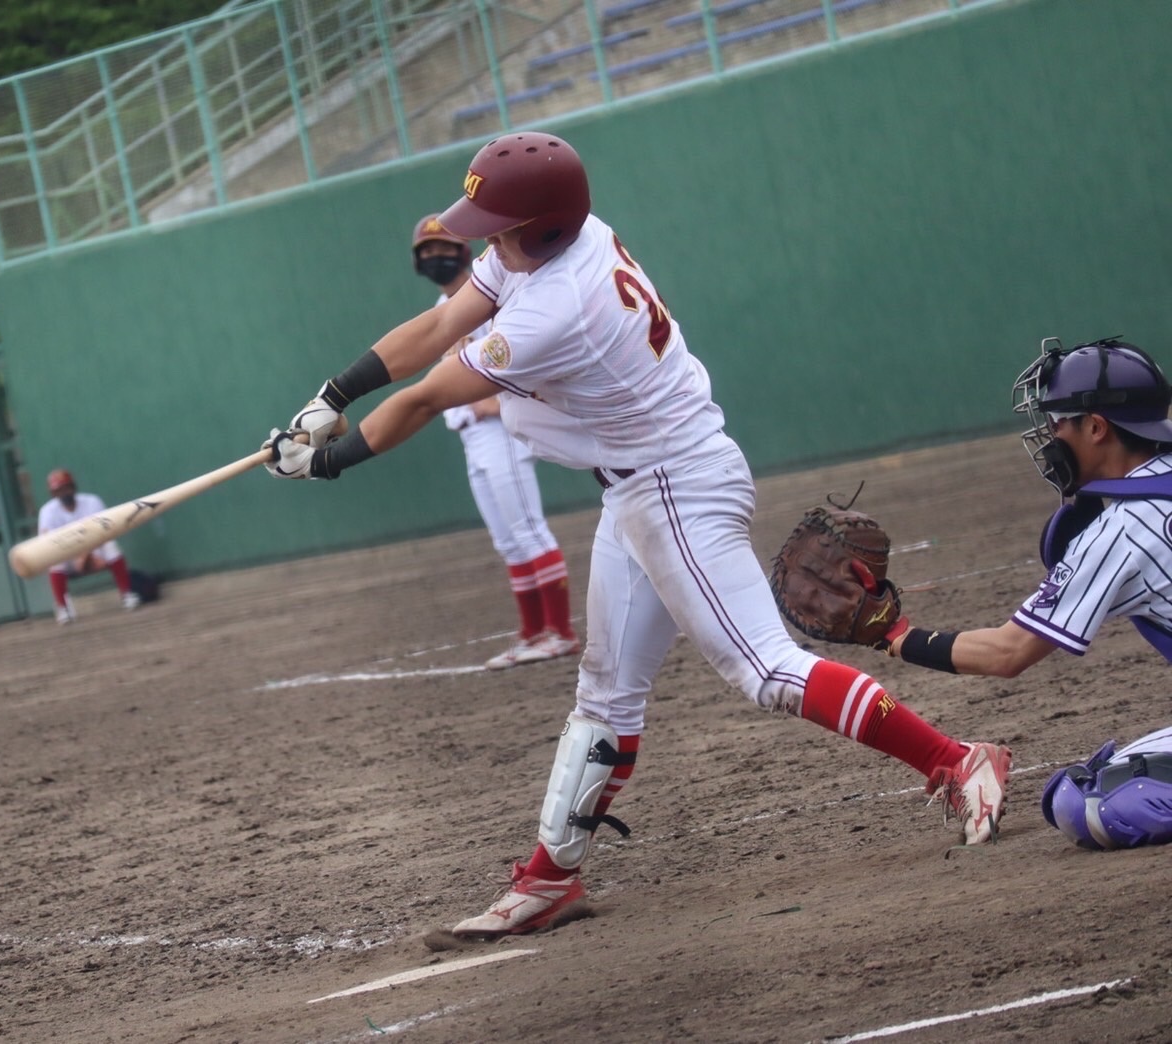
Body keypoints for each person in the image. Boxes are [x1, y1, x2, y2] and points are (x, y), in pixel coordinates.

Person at [262, 130, 1011, 938]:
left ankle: (956, 759)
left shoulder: (554, 306)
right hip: (638, 489)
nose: (482, 235)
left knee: (766, 670)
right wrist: (334, 391)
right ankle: (551, 881)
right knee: (606, 691)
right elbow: (437, 325)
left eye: (494, 223)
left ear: (536, 226)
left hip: (674, 486)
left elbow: (427, 395)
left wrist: (328, 463)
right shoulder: (564, 237)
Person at [874, 337, 1172, 675]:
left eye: (1056, 422)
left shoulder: (1122, 532)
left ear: (1095, 427)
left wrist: (892, 636)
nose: (1051, 437)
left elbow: (1007, 651)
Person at [411, 213, 579, 670]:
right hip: (471, 435)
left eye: (443, 249)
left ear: (465, 252)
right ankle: (532, 633)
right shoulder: (441, 311)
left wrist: (500, 400)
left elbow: (524, 359)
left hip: (501, 428)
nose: (435, 258)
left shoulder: (495, 299)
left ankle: (560, 632)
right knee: (507, 540)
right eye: (426, 252)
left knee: (527, 528)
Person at [37, 468, 141, 624]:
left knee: (110, 545)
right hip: (68, 558)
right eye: (59, 490)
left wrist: (85, 556)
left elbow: (105, 531)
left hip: (95, 552)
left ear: (73, 487)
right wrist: (77, 556)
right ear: (54, 494)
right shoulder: (47, 511)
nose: (64, 493)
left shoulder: (92, 501)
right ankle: (63, 608)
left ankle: (126, 594)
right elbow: (49, 544)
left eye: (66, 488)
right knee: (54, 561)